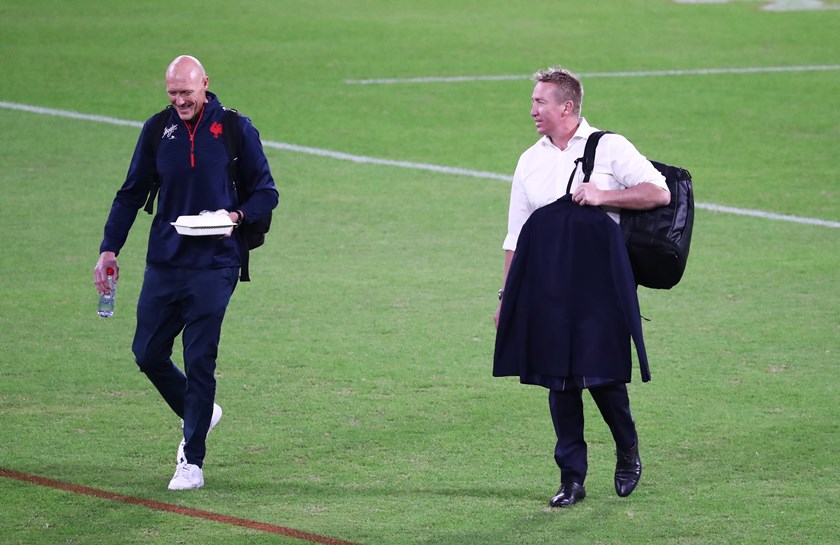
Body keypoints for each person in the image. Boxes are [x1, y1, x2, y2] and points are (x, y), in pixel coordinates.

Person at [93, 55, 278, 490]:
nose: (179, 101)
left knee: (199, 359)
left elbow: (267, 193)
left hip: (216, 264)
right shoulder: (158, 130)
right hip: (165, 261)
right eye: (172, 93)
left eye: (186, 93)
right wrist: (108, 248)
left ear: (205, 85)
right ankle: (202, 411)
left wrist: (235, 215)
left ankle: (191, 460)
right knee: (147, 353)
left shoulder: (235, 128)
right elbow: (131, 194)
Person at [492, 66, 670, 508]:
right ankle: (572, 478)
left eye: (540, 101)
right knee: (561, 384)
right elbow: (516, 235)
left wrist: (602, 195)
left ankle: (627, 450)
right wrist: (506, 295)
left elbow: (659, 192)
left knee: (604, 377)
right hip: (547, 284)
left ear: (566, 107)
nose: (532, 109)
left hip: (600, 285)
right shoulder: (529, 160)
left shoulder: (609, 147)